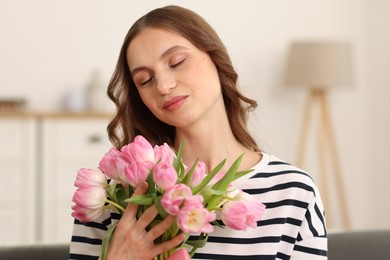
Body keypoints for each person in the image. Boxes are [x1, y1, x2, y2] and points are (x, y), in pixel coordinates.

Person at [69, 5, 327, 259]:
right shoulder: (112, 196)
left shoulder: (293, 192)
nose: (164, 86)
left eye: (177, 61)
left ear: (215, 57)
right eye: (145, 80)